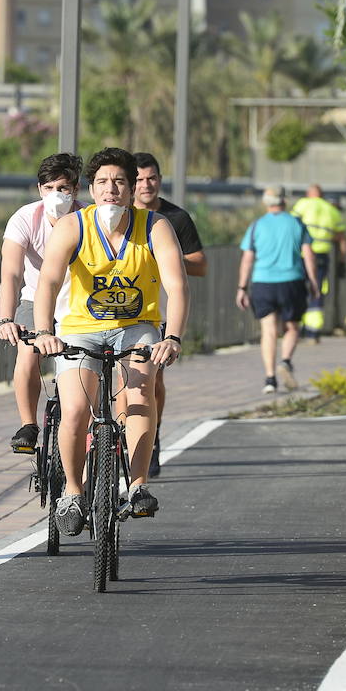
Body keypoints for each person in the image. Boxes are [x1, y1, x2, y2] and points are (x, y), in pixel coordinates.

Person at [32, 147, 188, 535]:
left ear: (133, 187)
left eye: (119, 181)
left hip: (137, 326)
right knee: (74, 411)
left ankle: (137, 486)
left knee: (140, 395)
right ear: (91, 187)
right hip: (80, 327)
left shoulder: (155, 226)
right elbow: (49, 281)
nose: (110, 190)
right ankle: (72, 491)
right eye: (102, 182)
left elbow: (176, 284)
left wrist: (173, 337)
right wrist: (44, 333)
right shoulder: (73, 226)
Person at [0, 152, 83, 453]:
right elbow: (11, 273)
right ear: (39, 189)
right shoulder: (25, 219)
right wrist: (6, 320)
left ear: (76, 190)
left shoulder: (88, 218)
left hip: (78, 303)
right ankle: (28, 424)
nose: (56, 195)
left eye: (63, 188)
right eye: (49, 188)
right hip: (34, 298)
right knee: (27, 352)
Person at [129, 152, 206, 477]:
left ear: (160, 180)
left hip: (159, 307)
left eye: (153, 178)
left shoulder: (175, 217)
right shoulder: (119, 215)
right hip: (124, 306)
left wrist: (167, 257)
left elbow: (200, 265)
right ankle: (123, 438)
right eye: (141, 179)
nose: (147, 185)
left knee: (153, 377)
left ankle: (152, 436)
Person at [236, 185, 320, 394]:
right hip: (291, 281)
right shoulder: (297, 224)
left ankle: (270, 378)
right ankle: (285, 361)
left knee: (269, 330)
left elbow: (247, 259)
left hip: (263, 283)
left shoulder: (256, 226)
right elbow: (308, 255)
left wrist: (242, 288)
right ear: (285, 201)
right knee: (292, 327)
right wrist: (314, 282)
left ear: (266, 202)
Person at [291, 184, 346, 343]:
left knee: (299, 288)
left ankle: (297, 328)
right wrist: (342, 262)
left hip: (301, 254)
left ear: (309, 193)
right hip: (322, 255)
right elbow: (342, 238)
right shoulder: (332, 210)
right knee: (317, 289)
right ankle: (313, 332)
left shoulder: (303, 204)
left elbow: (291, 225)